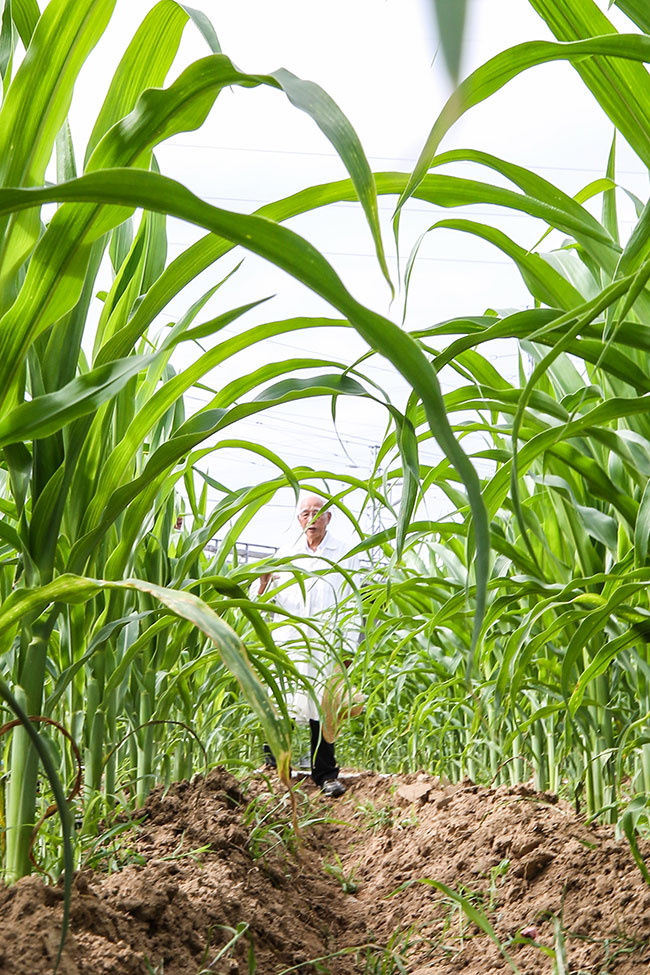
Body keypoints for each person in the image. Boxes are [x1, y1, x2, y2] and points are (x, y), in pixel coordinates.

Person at [257, 493, 359, 797]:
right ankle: (274, 770)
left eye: (317, 513)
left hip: (326, 643)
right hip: (289, 643)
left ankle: (325, 774)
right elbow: (264, 602)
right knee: (282, 704)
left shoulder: (345, 554)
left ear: (328, 517)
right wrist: (262, 582)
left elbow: (352, 603)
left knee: (323, 708)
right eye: (305, 513)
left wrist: (347, 648)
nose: (311, 519)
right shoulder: (285, 553)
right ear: (298, 519)